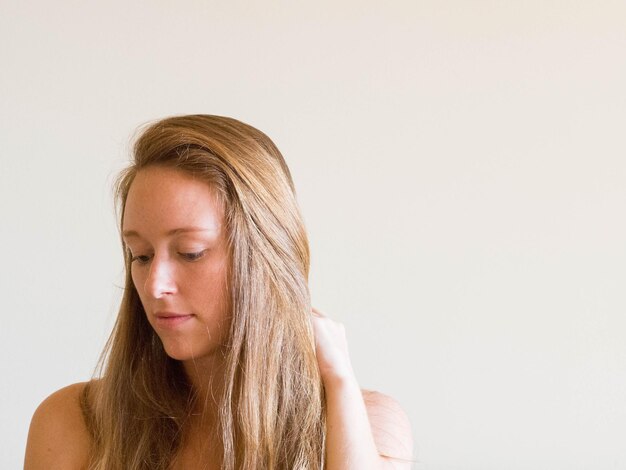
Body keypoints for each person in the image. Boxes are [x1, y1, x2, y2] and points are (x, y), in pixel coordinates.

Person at [24, 115, 413, 469]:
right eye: (140, 255)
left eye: (190, 253)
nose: (155, 285)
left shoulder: (365, 423)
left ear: (265, 259)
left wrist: (338, 379)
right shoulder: (73, 423)